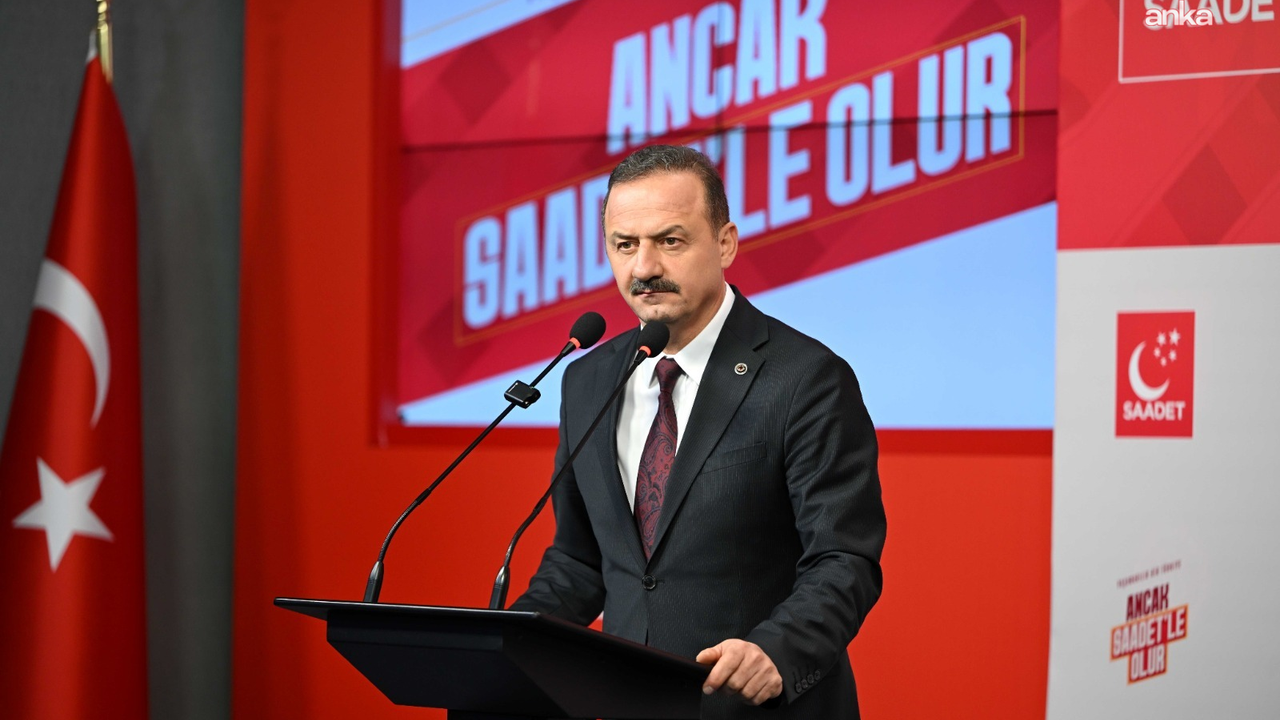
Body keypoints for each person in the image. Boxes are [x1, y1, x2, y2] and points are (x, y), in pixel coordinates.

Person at [511, 145, 886, 719]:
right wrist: (505, 642)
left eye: (670, 240)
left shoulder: (805, 378)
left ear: (725, 243)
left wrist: (776, 650)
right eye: (625, 244)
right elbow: (581, 562)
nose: (644, 268)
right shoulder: (587, 380)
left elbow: (843, 558)